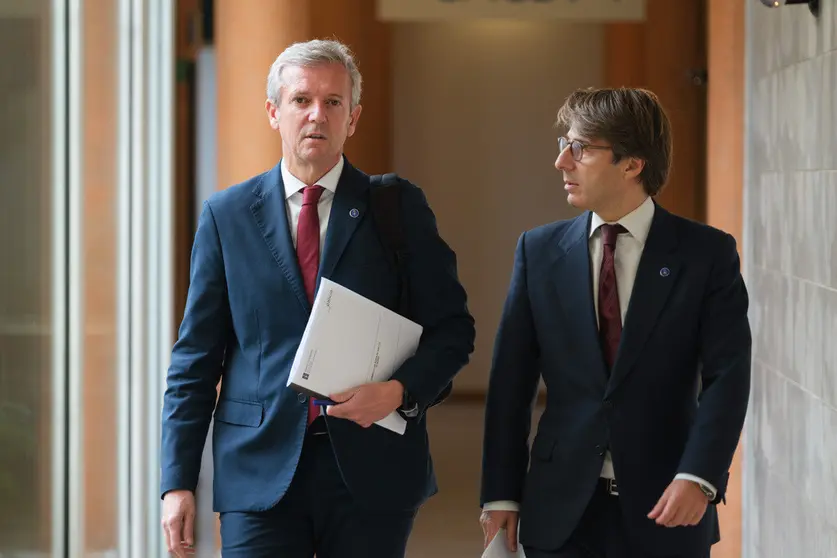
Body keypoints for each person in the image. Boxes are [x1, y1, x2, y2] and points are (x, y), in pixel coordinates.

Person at [159, 39, 475, 558]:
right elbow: (195, 359)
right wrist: (178, 482)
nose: (316, 115)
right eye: (301, 100)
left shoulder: (396, 207)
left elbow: (453, 330)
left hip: (371, 471)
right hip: (256, 473)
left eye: (333, 102)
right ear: (273, 112)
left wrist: (398, 391)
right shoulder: (227, 216)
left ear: (353, 117)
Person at [479, 87, 751, 558]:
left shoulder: (706, 254)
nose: (562, 161)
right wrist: (501, 493)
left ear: (632, 163)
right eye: (563, 144)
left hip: (668, 504)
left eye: (580, 148)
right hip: (559, 508)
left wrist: (700, 476)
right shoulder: (538, 251)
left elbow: (728, 375)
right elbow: (510, 383)